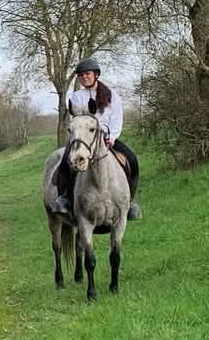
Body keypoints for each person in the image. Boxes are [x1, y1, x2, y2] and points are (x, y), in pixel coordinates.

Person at [50, 58, 142, 220]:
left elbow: (117, 117)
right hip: (83, 139)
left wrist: (112, 137)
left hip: (107, 138)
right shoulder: (76, 97)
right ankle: (64, 198)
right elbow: (77, 120)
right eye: (81, 75)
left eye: (87, 74)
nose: (84, 77)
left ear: (96, 75)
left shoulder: (112, 95)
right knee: (65, 163)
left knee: (132, 160)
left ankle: (130, 203)